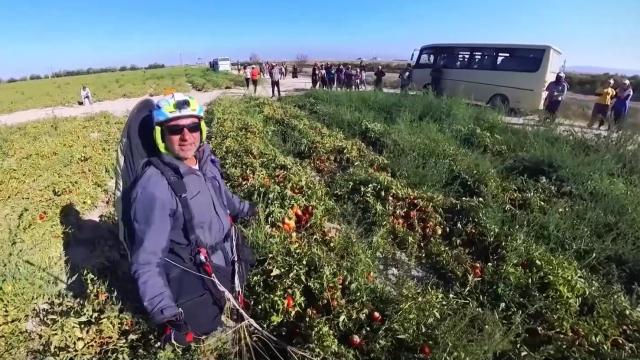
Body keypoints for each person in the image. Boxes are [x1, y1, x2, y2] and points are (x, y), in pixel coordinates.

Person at [129, 93, 257, 346]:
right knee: (204, 333)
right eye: (175, 129)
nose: (186, 136)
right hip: (197, 269)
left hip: (227, 254)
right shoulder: (155, 187)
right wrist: (165, 310)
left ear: (202, 129)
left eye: (193, 127)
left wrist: (247, 208)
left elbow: (223, 196)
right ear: (161, 135)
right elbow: (146, 259)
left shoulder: (205, 161)